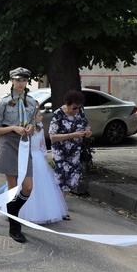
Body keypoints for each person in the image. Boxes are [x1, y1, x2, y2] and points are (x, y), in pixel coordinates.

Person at [0, 67, 37, 243]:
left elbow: (32, 122)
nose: (21, 83)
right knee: (13, 188)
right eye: (18, 80)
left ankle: (13, 213)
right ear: (11, 81)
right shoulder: (3, 102)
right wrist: (13, 128)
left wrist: (31, 127)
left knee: (28, 187)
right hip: (8, 143)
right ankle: (14, 226)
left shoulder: (32, 102)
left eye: (24, 80)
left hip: (25, 144)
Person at [19, 110, 69, 224]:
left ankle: (43, 212)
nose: (42, 117)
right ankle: (23, 211)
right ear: (32, 118)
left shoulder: (40, 130)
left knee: (42, 186)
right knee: (29, 185)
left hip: (39, 159)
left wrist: (46, 161)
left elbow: (43, 146)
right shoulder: (26, 131)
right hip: (28, 158)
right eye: (39, 115)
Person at [48, 89, 92, 218]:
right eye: (74, 108)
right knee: (61, 179)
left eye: (79, 108)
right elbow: (52, 136)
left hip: (75, 151)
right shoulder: (58, 115)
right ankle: (59, 209)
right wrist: (72, 135)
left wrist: (88, 132)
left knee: (73, 179)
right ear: (67, 104)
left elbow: (86, 126)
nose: (76, 110)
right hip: (60, 152)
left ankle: (58, 205)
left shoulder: (80, 112)